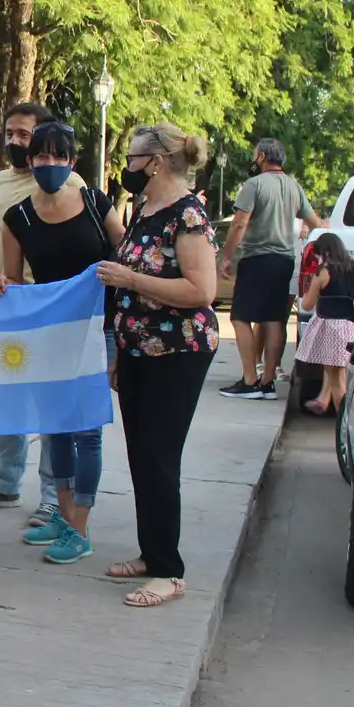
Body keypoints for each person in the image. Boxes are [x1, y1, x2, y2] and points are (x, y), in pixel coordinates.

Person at [96, 123, 219, 608]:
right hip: (138, 350)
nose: (125, 167)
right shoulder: (148, 209)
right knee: (140, 456)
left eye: (130, 159)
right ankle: (152, 551)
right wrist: (120, 354)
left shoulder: (188, 216)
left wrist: (131, 278)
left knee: (160, 456)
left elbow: (201, 292)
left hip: (178, 352)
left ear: (157, 162)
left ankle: (169, 571)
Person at [0, 121, 124, 564]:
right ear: (30, 162)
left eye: (58, 157)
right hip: (49, 336)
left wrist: (122, 336)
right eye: (41, 157)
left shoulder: (94, 204)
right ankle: (63, 517)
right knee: (55, 431)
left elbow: (126, 262)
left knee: (86, 433)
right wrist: (3, 286)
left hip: (96, 330)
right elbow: (14, 279)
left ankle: (81, 528)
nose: (50, 164)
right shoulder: (18, 218)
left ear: (72, 162)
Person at [0, 102, 84, 525]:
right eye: (10, 133)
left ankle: (53, 494)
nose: (15, 141)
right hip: (2, 305)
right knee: (6, 398)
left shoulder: (73, 185)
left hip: (50, 310)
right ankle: (3, 481)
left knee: (50, 405)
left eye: (24, 135)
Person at [219, 138, 326, 398]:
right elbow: (316, 224)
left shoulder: (254, 185)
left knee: (240, 316)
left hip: (257, 258)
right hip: (284, 260)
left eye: (256, 155)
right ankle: (268, 382)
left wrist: (226, 256)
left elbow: (239, 224)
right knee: (275, 319)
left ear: (263, 156)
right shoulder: (294, 186)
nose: (254, 160)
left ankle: (249, 380)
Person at [298, 233, 354, 415]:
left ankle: (343, 422)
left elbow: (307, 304)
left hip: (331, 328)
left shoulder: (323, 272)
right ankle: (326, 400)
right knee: (348, 375)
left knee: (337, 380)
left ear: (324, 252)